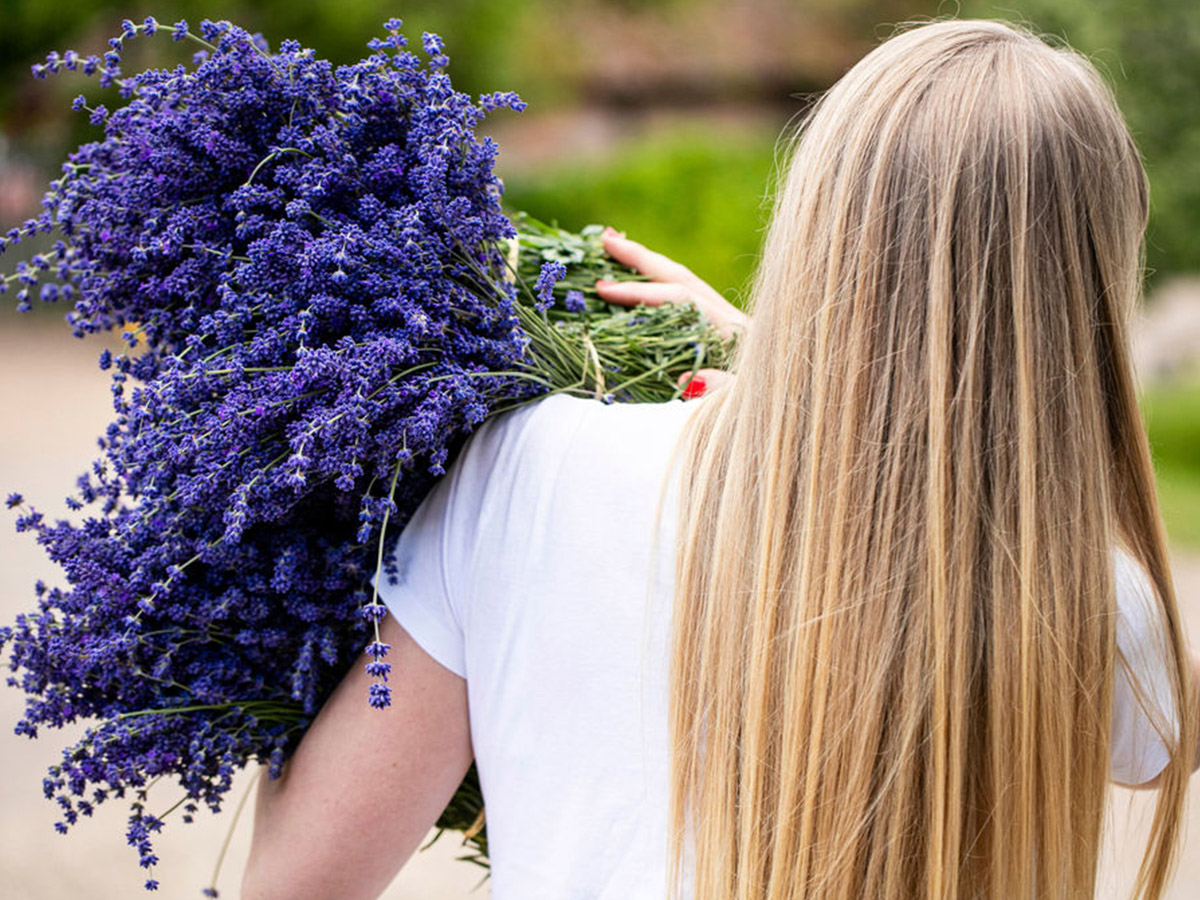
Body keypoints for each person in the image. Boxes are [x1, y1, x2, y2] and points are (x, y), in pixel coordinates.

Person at [241, 19, 1199, 900]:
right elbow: (1171, 741)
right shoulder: (1089, 599)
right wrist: (795, 373)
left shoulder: (530, 471)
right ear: (1093, 294)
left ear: (815, 224)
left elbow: (298, 882)